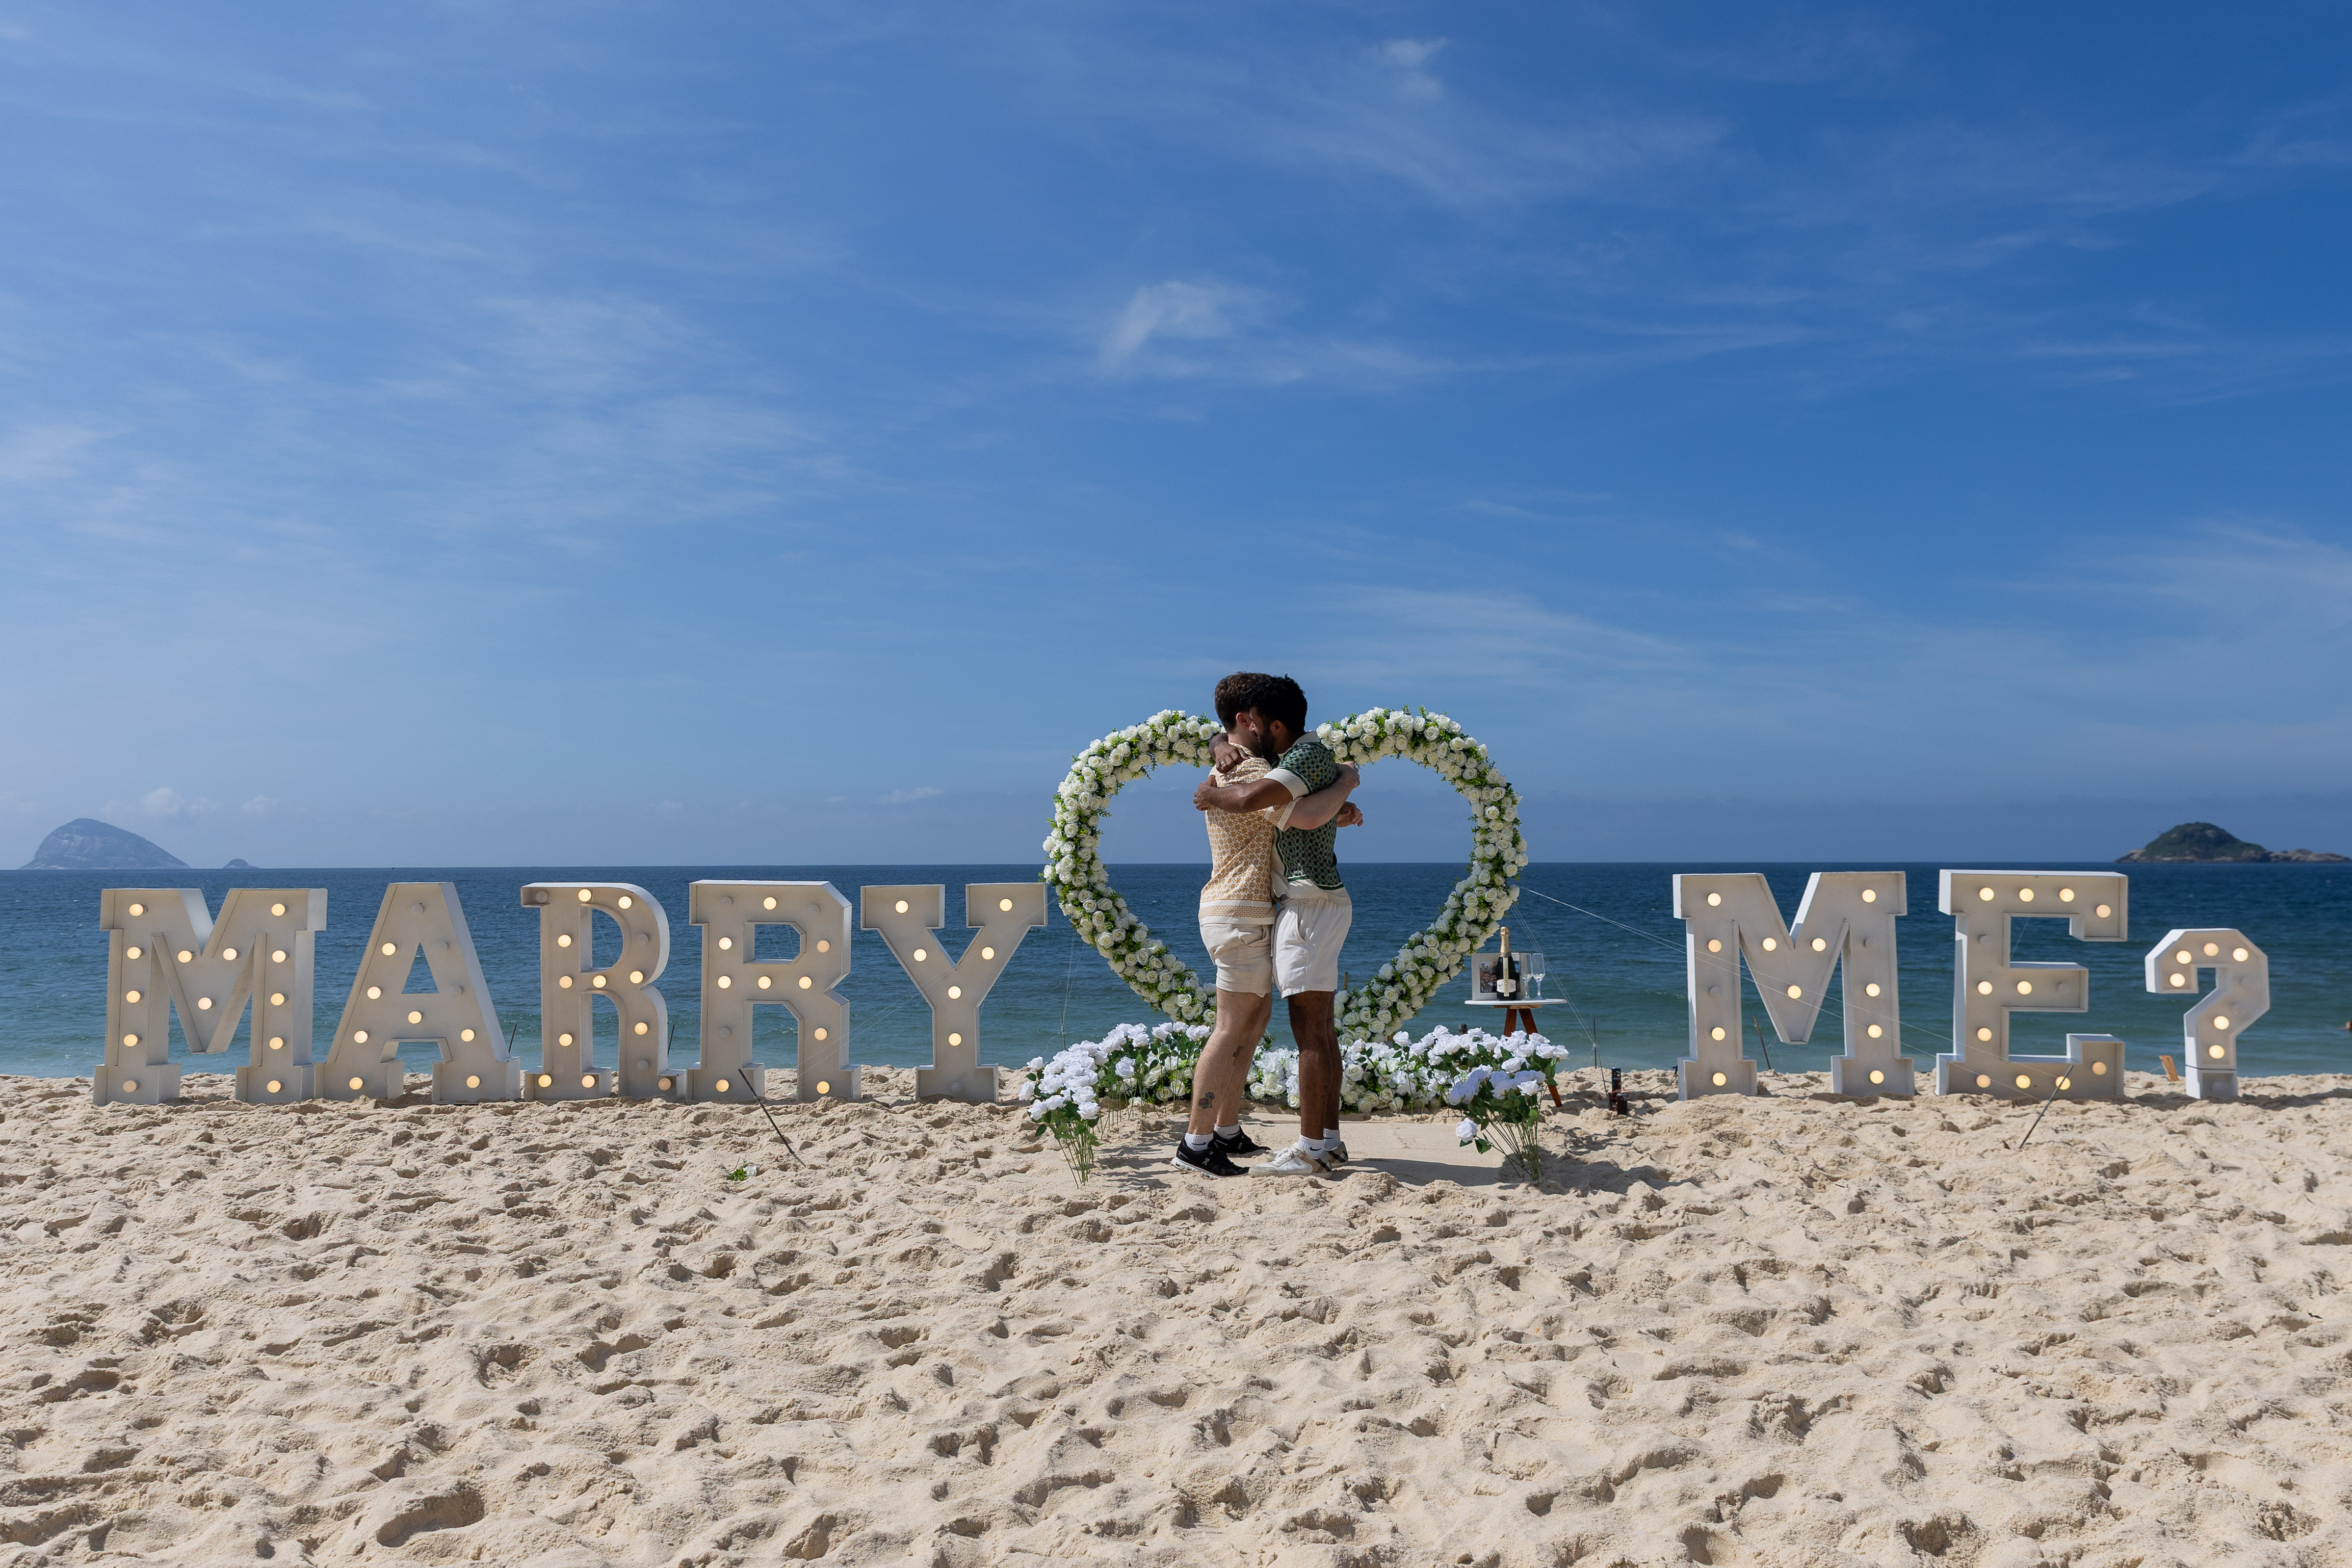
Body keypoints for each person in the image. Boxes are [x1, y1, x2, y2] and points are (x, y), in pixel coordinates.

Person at [1174, 672, 1362, 1178]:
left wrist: (1337, 809)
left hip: (1244, 910)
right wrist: (1345, 783)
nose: (1263, 726)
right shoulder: (1250, 767)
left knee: (1251, 1027)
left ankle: (1228, 1130)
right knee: (1234, 1028)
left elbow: (1306, 813)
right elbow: (1299, 815)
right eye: (1256, 719)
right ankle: (1196, 1142)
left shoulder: (1240, 761)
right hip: (1240, 911)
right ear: (1246, 720)